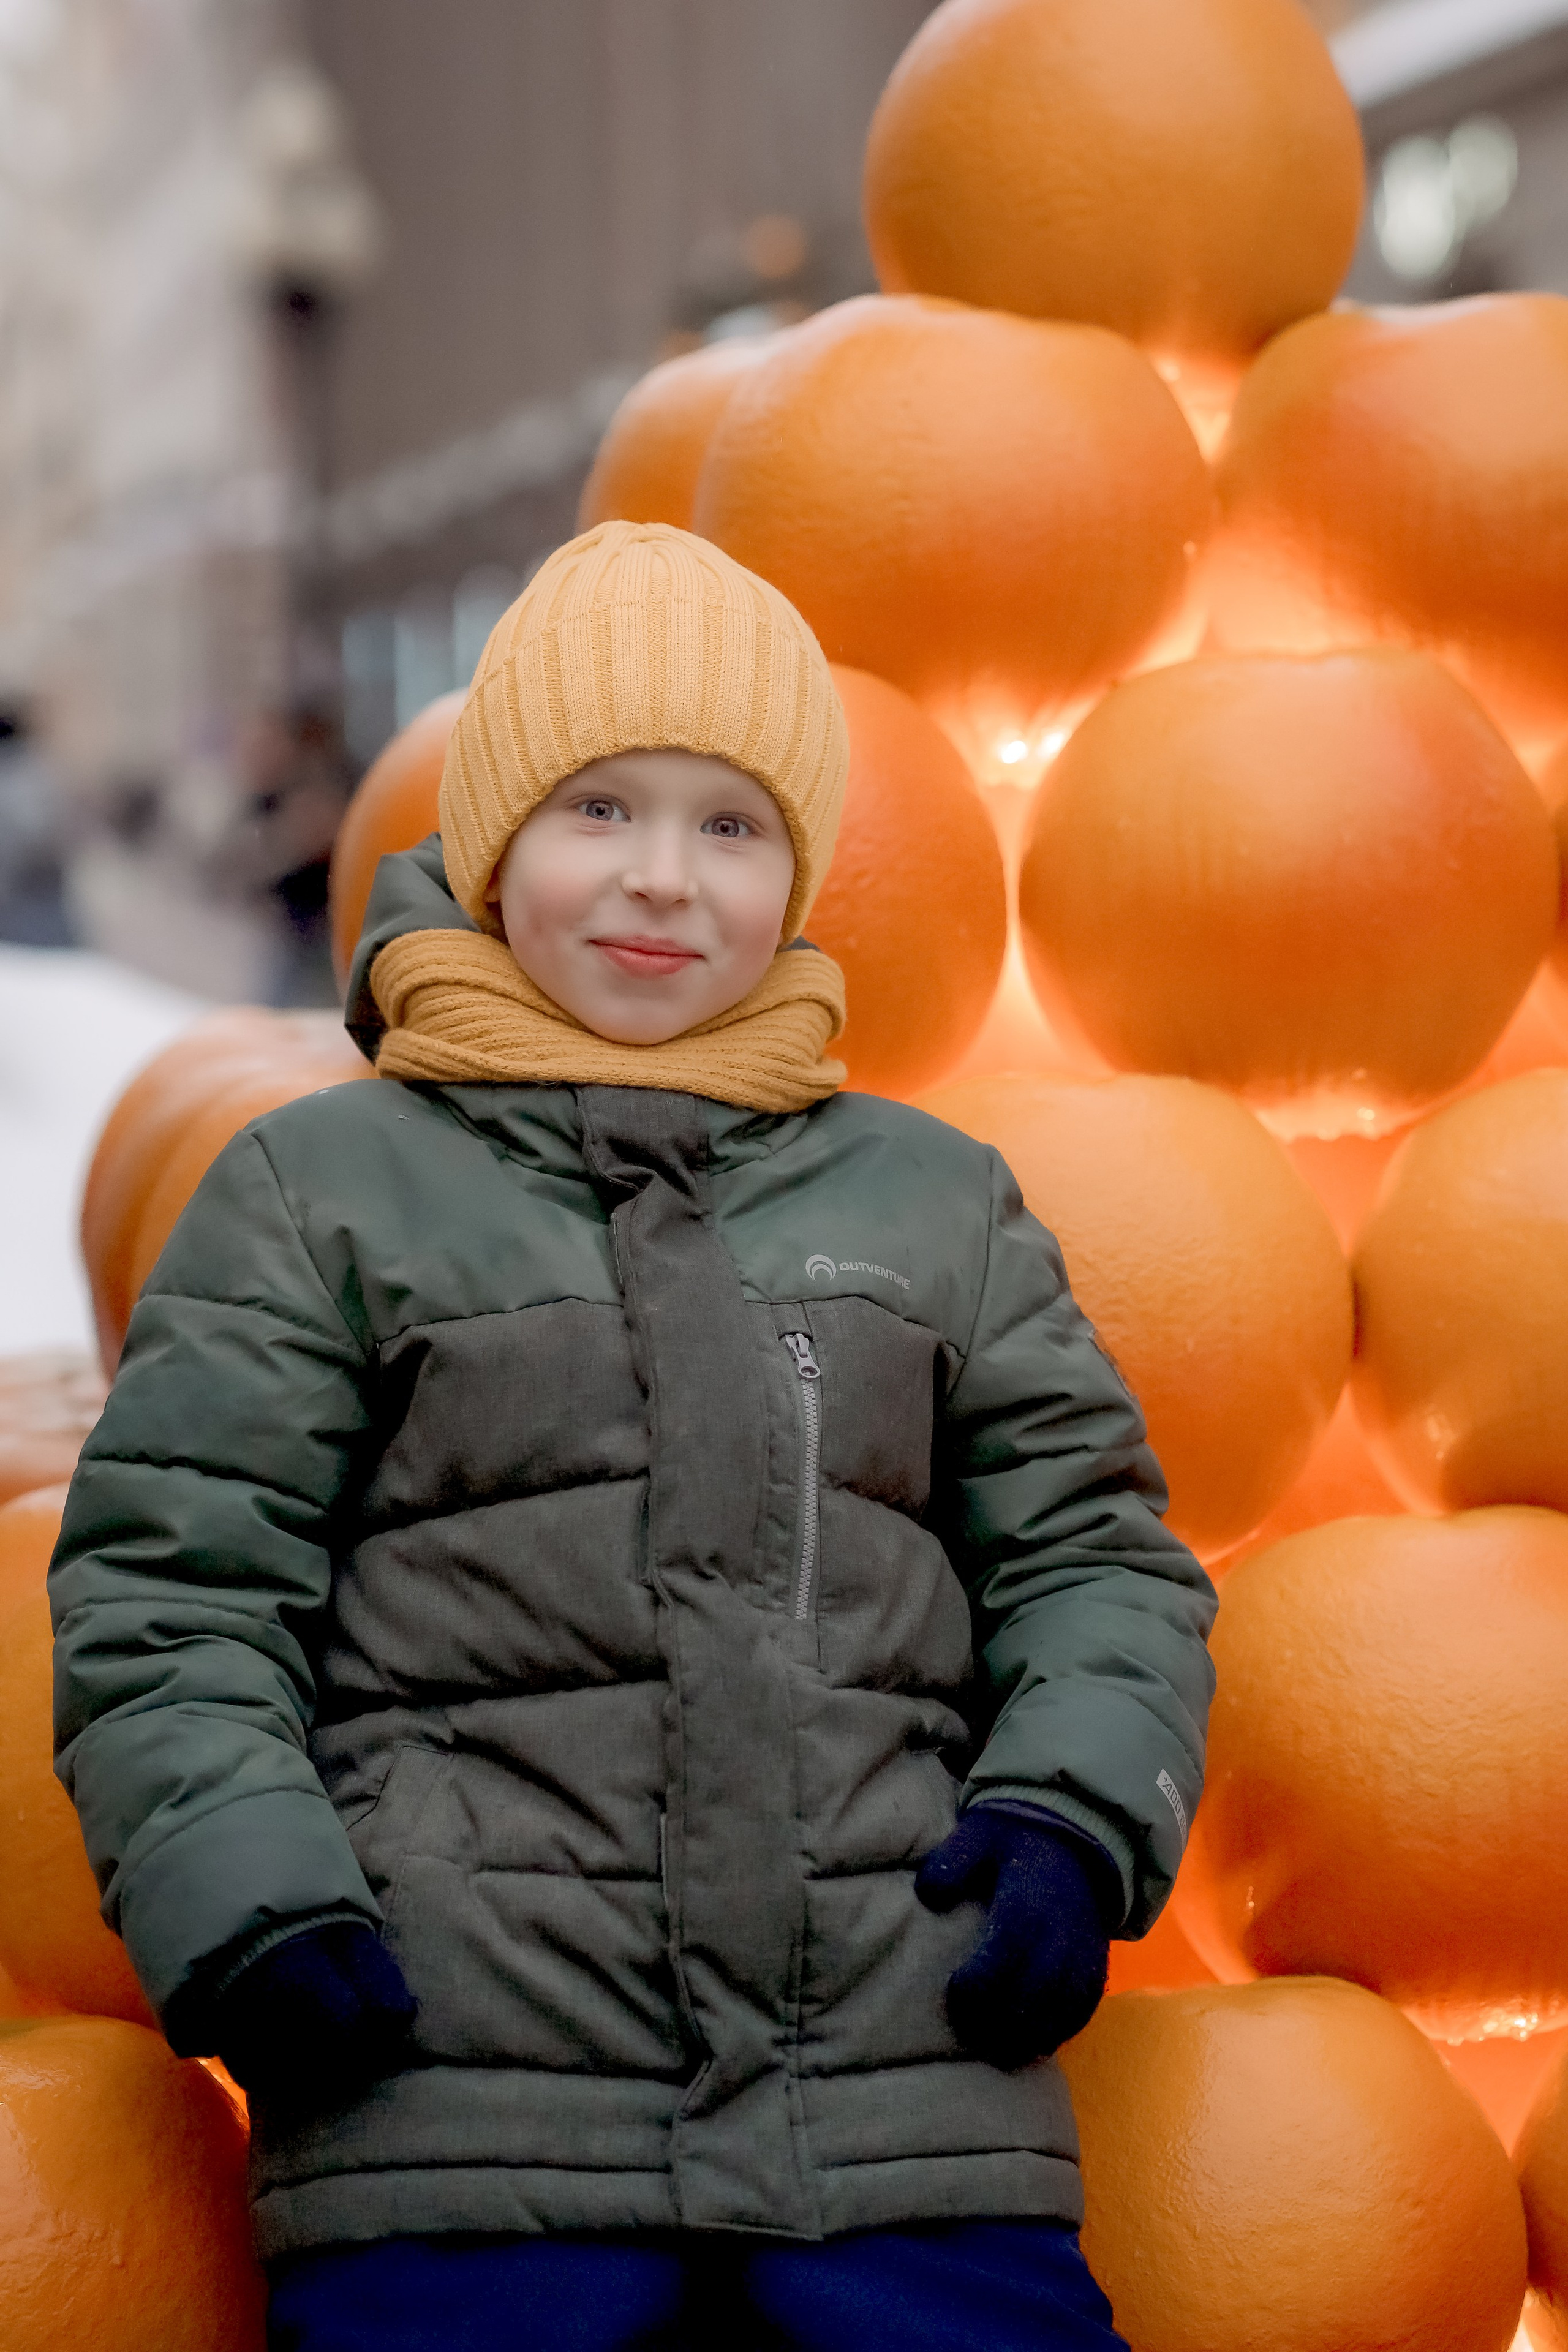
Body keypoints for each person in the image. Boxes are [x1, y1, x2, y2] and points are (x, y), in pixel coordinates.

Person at [49, 522, 1216, 2352]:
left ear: (798, 871)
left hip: (897, 2104)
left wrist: (1071, 1820)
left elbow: (1095, 1559)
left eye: (729, 826)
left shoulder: (938, 1205)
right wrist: (256, 1908)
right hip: (457, 2098)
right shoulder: (319, 1188)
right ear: (497, 832)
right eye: (600, 809)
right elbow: (174, 1591)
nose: (663, 881)